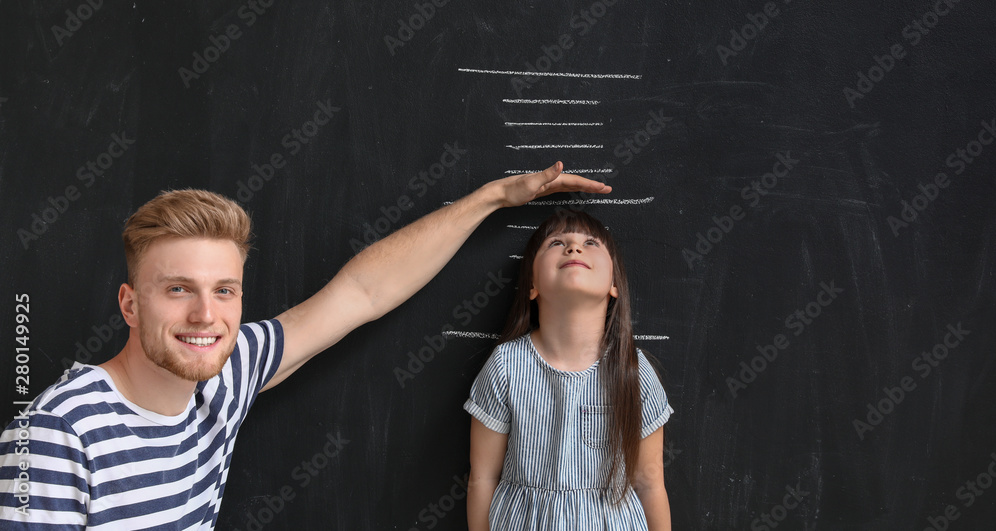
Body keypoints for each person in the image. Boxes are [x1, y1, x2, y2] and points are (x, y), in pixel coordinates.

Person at [0, 162, 610, 529]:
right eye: (178, 289)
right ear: (130, 304)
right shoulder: (58, 438)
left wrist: (493, 199)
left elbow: (363, 292)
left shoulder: (224, 373)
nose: (205, 315)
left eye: (224, 291)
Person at [465, 209, 672, 530]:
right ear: (532, 285)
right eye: (556, 243)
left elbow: (649, 483)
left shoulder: (633, 369)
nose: (574, 247)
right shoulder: (505, 366)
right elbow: (482, 479)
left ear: (614, 285)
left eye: (590, 242)